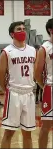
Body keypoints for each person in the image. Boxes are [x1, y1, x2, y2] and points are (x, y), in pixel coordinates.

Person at [0, 21, 36, 148]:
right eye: (19, 29)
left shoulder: (33, 50)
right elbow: (1, 75)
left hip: (29, 93)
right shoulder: (7, 51)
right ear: (12, 34)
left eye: (23, 29)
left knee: (28, 133)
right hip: (14, 93)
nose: (22, 31)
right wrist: (7, 90)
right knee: (9, 132)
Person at [35, 18, 53, 149]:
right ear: (50, 30)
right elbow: (37, 74)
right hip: (50, 88)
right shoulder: (44, 48)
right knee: (46, 126)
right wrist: (45, 87)